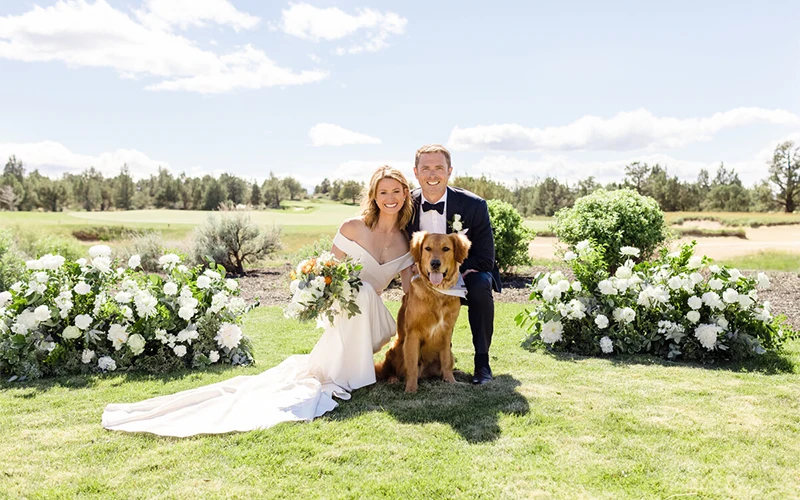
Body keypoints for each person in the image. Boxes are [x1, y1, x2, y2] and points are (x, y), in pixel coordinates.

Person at [102, 166, 414, 437]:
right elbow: (327, 272)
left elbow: (410, 288)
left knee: (363, 293)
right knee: (357, 290)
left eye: (396, 191)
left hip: (375, 322)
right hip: (345, 314)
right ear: (373, 195)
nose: (390, 197)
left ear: (404, 195)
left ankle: (353, 373)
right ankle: (354, 377)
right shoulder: (353, 227)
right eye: (383, 191)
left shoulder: (405, 240)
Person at [406, 144, 501, 385]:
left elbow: (486, 257)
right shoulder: (406, 205)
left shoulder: (474, 205)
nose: (432, 174)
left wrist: (455, 272)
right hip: (424, 274)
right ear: (416, 172)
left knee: (480, 286)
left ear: (449, 170)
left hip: (466, 270)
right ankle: (425, 361)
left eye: (439, 167)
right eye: (425, 168)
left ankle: (482, 364)